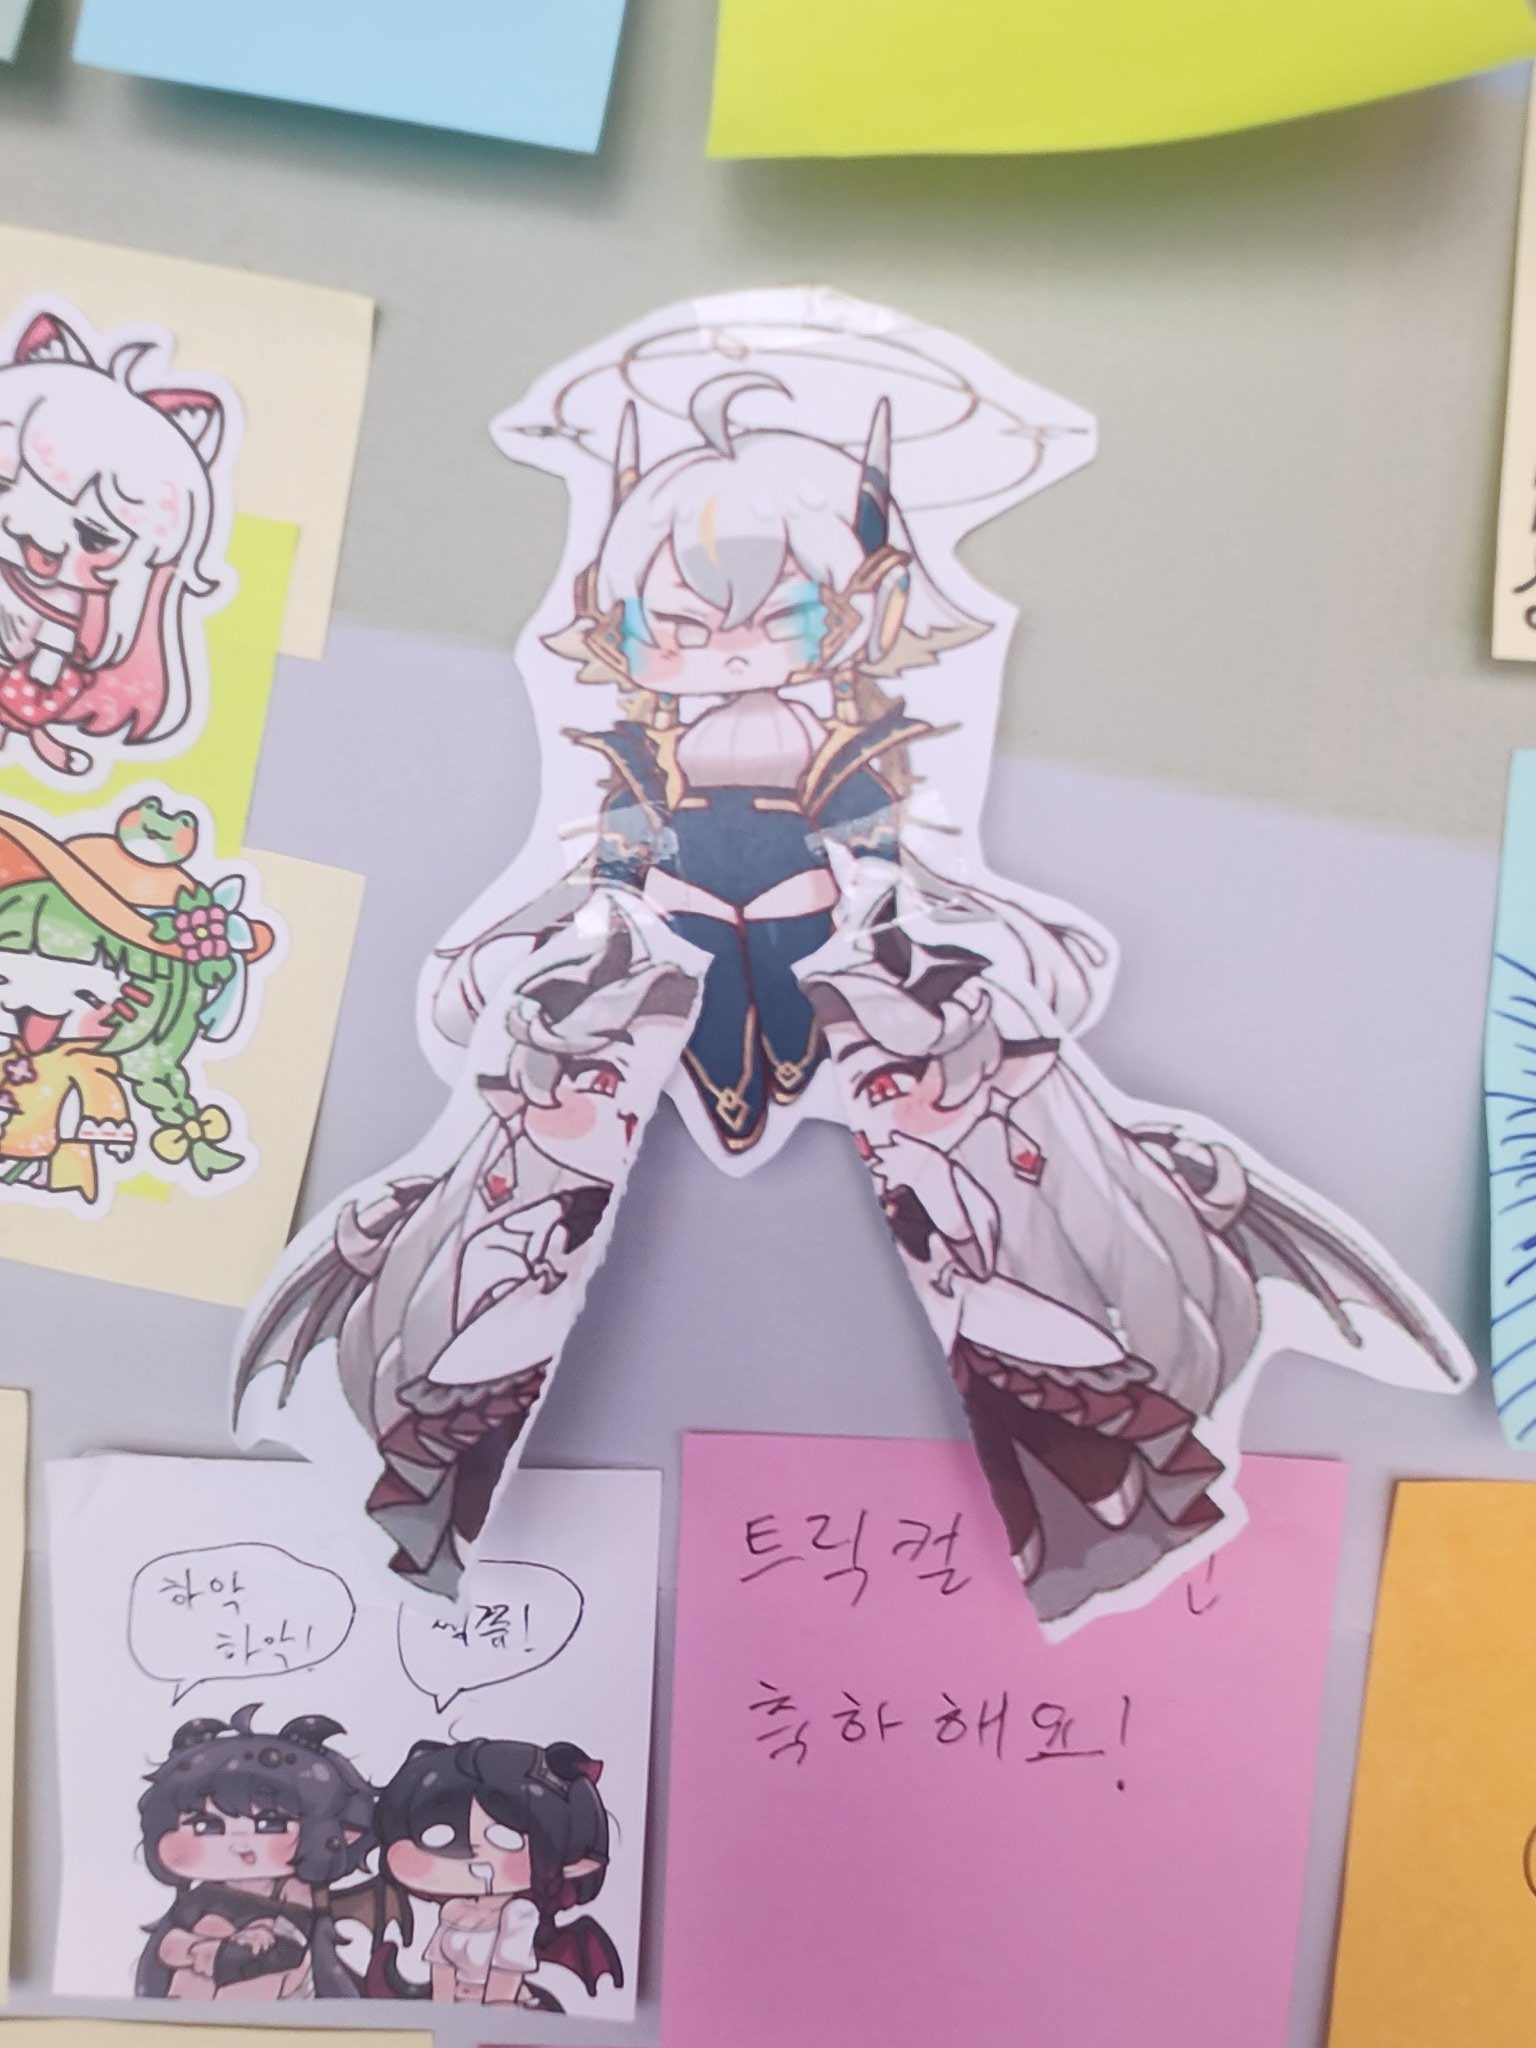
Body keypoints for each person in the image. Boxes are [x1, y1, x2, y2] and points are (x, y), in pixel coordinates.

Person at [0, 305, 231, 780]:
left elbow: (56, 644)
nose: (34, 531)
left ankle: (28, 734)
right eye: (3, 485)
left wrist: (39, 678)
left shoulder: (72, 604)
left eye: (94, 535)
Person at [135, 1705, 374, 2001]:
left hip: (275, 2002)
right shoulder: (201, 1898)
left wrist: (225, 1951)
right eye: (206, 1826)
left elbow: (287, 1952)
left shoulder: (292, 1893)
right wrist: (204, 1950)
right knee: (210, 1931)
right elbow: (167, 1948)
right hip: (191, 2004)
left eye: (269, 1825)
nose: (239, 1844)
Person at [366, 1735, 620, 2010]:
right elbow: (442, 1970)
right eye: (438, 1839)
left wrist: (493, 2017)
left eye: (506, 1840)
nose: (476, 1861)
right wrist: (442, 2013)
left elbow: (505, 1979)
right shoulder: (453, 1910)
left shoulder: (519, 1916)